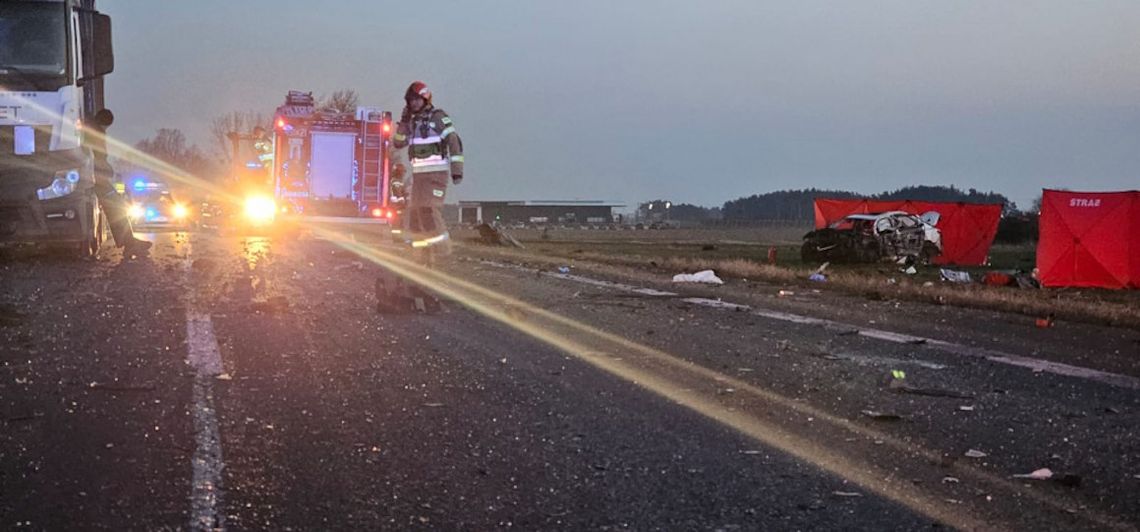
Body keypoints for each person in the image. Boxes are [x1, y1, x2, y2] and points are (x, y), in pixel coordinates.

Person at [392, 81, 464, 265]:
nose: (413, 103)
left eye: (416, 99)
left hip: (436, 176)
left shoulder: (438, 117)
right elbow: (399, 142)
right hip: (419, 177)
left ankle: (443, 251)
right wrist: (405, 121)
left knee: (429, 211)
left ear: (425, 98)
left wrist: (457, 171)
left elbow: (454, 141)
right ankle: (422, 254)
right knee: (415, 214)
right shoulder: (413, 122)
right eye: (410, 101)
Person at [87, 109, 151, 254]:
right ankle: (129, 243)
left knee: (116, 206)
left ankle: (128, 242)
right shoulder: (96, 134)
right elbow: (97, 157)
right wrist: (106, 169)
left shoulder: (89, 130)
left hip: (94, 177)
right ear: (104, 124)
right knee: (117, 207)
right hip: (97, 179)